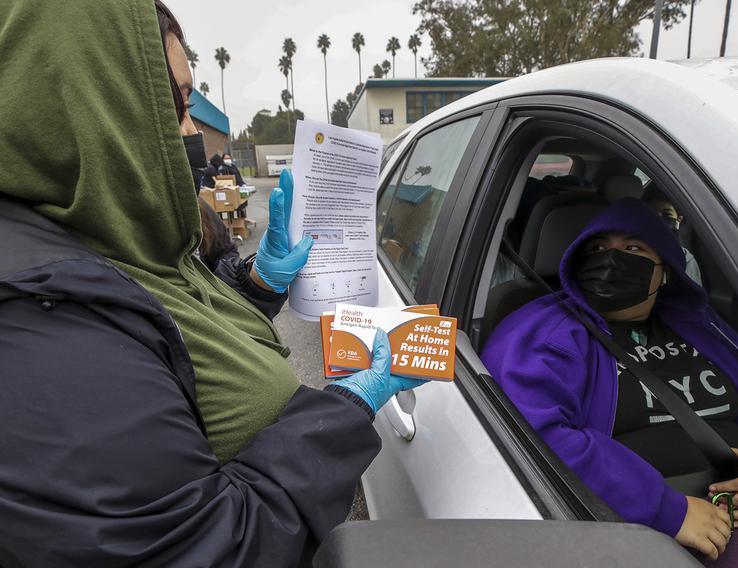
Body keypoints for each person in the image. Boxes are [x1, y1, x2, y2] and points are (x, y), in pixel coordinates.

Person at [0, 1, 422, 566]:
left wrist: (254, 284)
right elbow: (211, 549)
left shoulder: (110, 232)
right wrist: (345, 408)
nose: (190, 132)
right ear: (91, 103)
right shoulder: (40, 325)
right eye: (173, 103)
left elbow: (170, 326)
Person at [481, 198, 738, 565]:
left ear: (664, 270)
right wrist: (669, 511)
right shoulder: (541, 333)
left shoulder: (703, 325)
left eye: (633, 248)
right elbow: (537, 436)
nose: (610, 260)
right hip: (627, 523)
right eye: (597, 248)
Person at [642, 187, 703, 285]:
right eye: (651, 214)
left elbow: (691, 297)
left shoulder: (685, 259)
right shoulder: (630, 251)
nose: (658, 221)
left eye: (667, 214)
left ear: (679, 220)